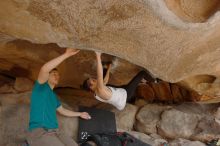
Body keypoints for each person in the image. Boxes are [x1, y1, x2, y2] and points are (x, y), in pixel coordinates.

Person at [27, 48, 91, 146]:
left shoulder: (54, 97)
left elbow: (62, 111)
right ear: (47, 76)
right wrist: (66, 55)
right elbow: (44, 69)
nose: (57, 76)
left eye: (58, 74)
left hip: (56, 132)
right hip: (40, 131)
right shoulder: (40, 87)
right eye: (54, 74)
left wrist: (80, 114)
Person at [82, 52, 157, 110]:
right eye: (91, 81)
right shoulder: (100, 91)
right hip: (125, 96)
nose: (93, 79)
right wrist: (98, 56)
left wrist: (109, 68)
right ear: (91, 87)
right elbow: (100, 75)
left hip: (121, 91)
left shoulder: (97, 92)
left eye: (91, 78)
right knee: (142, 73)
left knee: (111, 83)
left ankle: (141, 82)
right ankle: (155, 80)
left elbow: (104, 81)